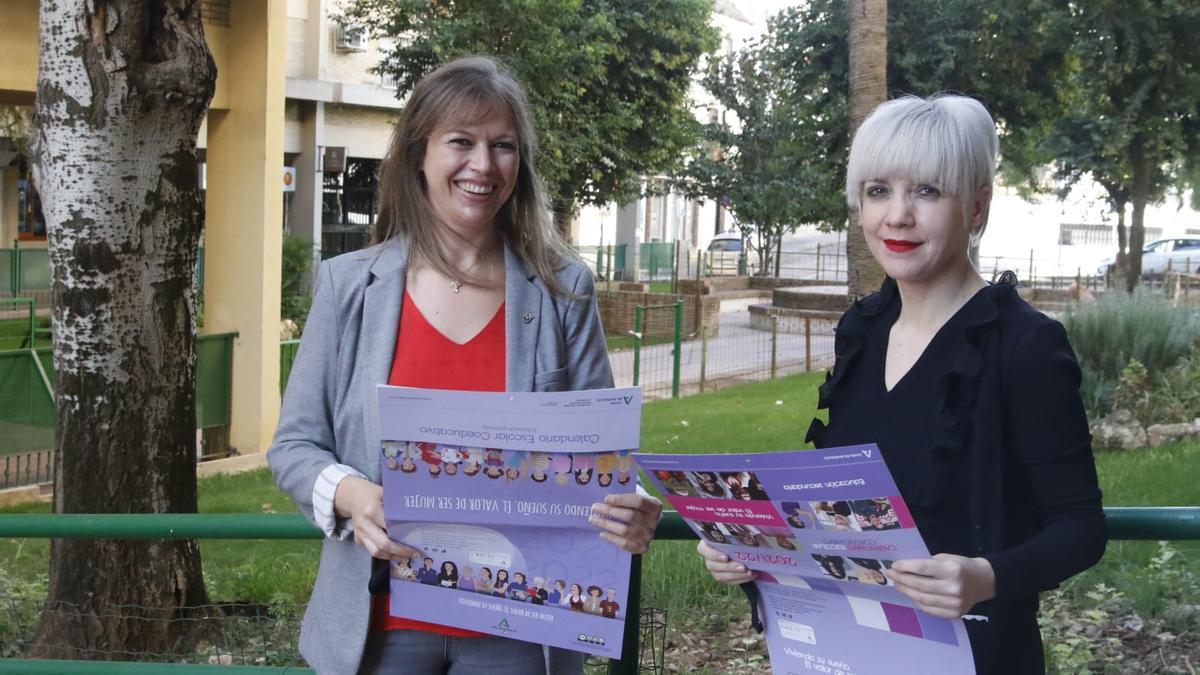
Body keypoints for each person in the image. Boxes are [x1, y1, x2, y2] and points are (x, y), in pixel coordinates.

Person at [267, 56, 663, 675]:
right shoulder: (348, 287)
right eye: (461, 141)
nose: (482, 164)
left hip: (521, 628)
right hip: (380, 626)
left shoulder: (564, 289)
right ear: (419, 156)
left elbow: (599, 461)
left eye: (502, 145)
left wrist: (628, 504)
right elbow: (294, 446)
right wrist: (351, 493)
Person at [697, 94, 1106, 674]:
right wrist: (756, 552)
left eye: (928, 191)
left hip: (977, 658)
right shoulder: (861, 330)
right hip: (849, 650)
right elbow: (842, 513)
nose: (897, 217)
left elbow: (1080, 528)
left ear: (978, 205)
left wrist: (985, 577)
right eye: (878, 191)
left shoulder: (1024, 345)